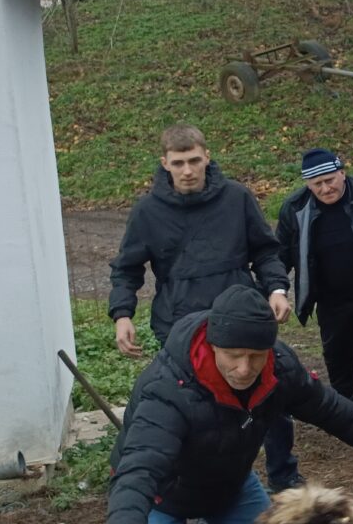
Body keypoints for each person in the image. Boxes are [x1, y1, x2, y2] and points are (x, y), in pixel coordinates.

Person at [105, 286, 353, 524]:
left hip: (229, 485)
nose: (244, 369)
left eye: (256, 356)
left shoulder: (278, 368)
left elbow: (329, 408)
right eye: (233, 356)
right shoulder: (169, 390)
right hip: (160, 498)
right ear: (213, 345)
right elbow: (139, 469)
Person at [107, 123, 296, 482]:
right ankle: (200, 489)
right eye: (178, 163)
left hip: (241, 317)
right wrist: (122, 314)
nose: (188, 170)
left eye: (194, 160)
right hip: (180, 324)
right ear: (165, 163)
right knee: (193, 411)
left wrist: (276, 289)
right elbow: (127, 268)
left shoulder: (237, 198)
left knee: (270, 396)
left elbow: (265, 251)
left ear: (207, 157)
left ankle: (283, 477)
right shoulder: (147, 212)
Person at [265, 149, 353, 488]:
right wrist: (275, 289)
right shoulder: (295, 209)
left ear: (342, 173)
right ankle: (347, 404)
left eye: (330, 180)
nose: (325, 189)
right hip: (330, 296)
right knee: (337, 355)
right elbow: (279, 254)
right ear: (308, 185)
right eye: (317, 184)